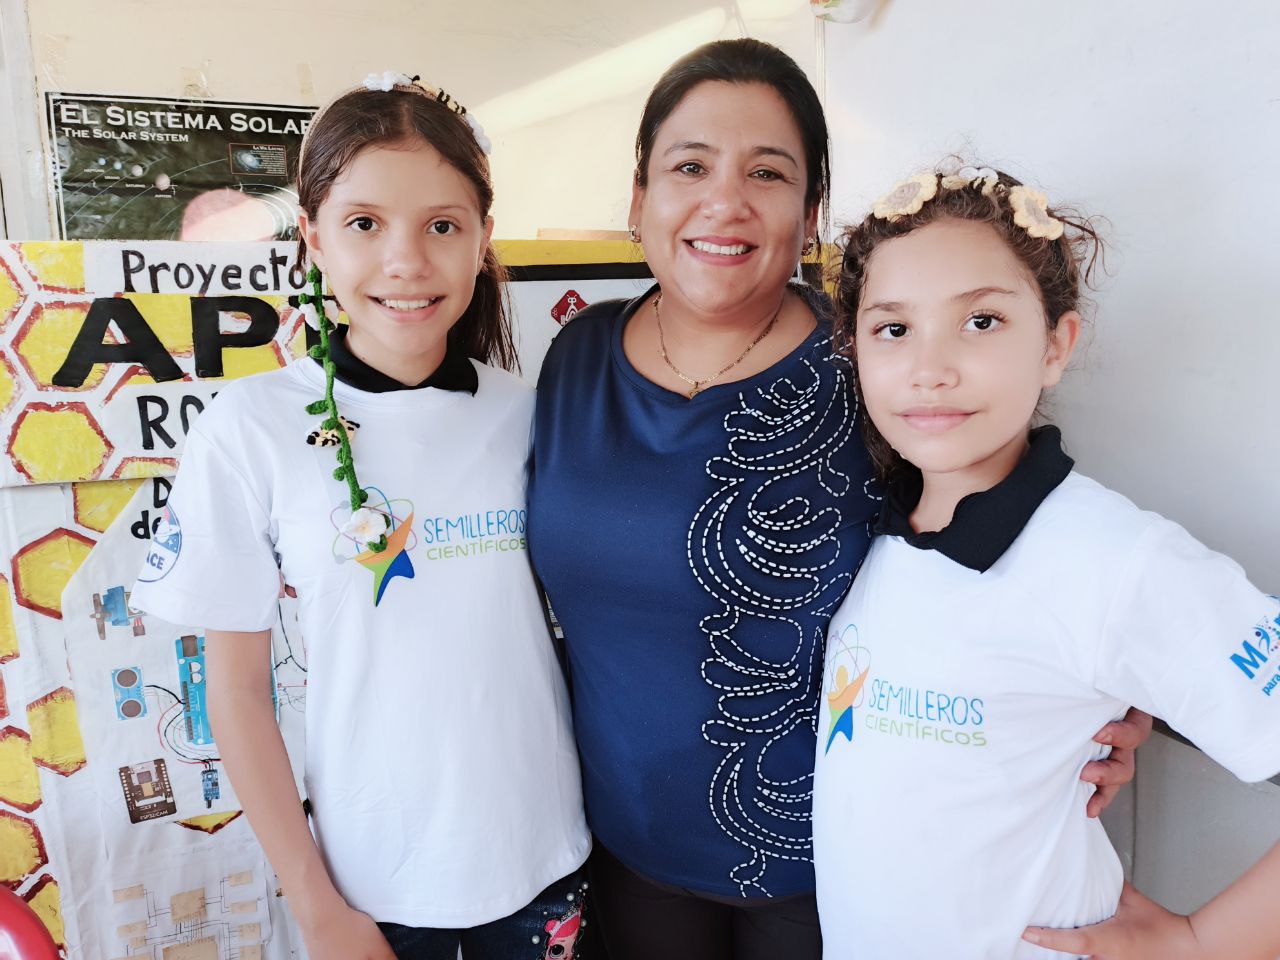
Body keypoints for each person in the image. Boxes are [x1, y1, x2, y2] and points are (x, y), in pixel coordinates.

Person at [528, 39, 1147, 960]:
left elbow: (1012, 525)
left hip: (849, 868)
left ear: (812, 211)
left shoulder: (871, 363)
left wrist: (1114, 695)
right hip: (626, 846)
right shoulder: (575, 360)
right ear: (638, 200)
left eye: (767, 173)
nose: (724, 200)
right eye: (688, 166)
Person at [131, 72, 590, 960]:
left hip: (546, 862)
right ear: (312, 239)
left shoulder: (528, 413)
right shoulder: (249, 429)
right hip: (368, 890)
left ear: (483, 239)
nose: (406, 262)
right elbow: (235, 693)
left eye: (443, 227)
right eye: (364, 224)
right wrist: (314, 902)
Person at [814, 163, 1280, 959]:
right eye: (893, 329)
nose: (930, 365)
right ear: (855, 350)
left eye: (982, 322)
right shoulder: (877, 526)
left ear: (1056, 344)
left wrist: (1202, 943)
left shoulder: (1118, 560)